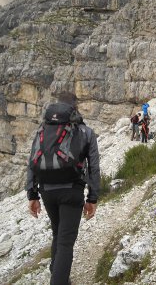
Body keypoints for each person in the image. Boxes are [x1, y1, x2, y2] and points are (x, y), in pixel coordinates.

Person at [26, 92, 101, 285]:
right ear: (74, 109)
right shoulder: (86, 132)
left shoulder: (43, 130)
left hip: (47, 191)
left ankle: (58, 274)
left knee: (58, 233)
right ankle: (58, 280)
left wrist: (32, 194)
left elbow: (32, 161)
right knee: (66, 242)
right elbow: (93, 167)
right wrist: (92, 199)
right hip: (72, 191)